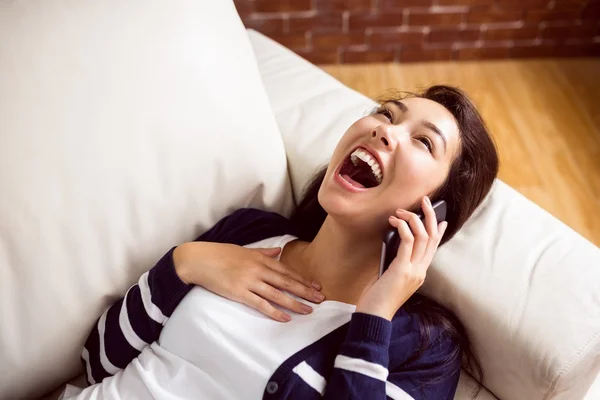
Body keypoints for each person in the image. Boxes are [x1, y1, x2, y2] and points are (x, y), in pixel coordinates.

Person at [70, 85, 498, 400]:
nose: (386, 132)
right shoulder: (248, 232)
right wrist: (185, 263)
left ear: (436, 211)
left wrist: (374, 317)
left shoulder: (423, 347)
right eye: (387, 115)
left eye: (423, 141)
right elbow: (98, 364)